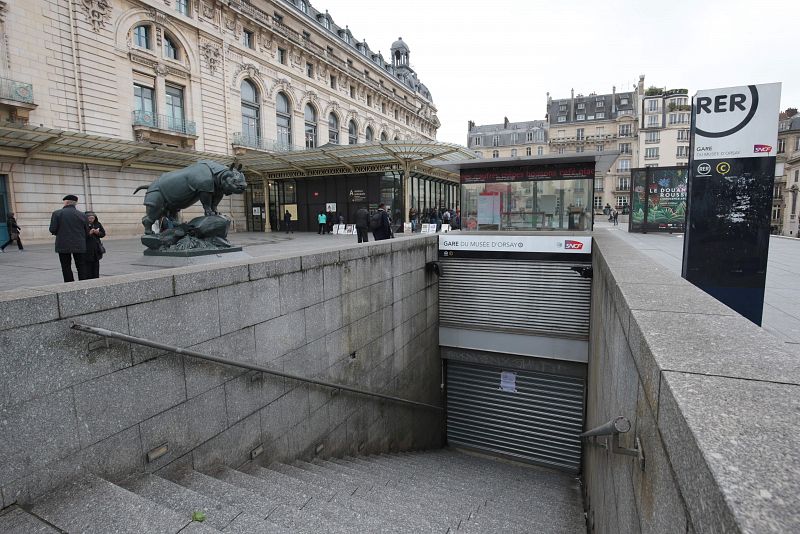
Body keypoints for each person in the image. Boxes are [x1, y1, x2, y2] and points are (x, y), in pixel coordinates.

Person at [49, 194, 89, 282]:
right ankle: (83, 284)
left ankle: (69, 284)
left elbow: (52, 229)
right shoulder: (82, 215)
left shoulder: (57, 213)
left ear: (66, 202)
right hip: (79, 243)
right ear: (75, 203)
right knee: (81, 266)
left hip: (63, 243)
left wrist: (61, 234)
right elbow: (87, 231)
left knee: (66, 266)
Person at [83, 211, 106, 279]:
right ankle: (89, 278)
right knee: (88, 265)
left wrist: (97, 232)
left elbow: (103, 234)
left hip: (96, 248)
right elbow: (80, 236)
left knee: (96, 264)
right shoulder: (83, 224)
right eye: (89, 218)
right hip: (87, 248)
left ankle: (96, 278)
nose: (91, 220)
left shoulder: (97, 224)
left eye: (93, 218)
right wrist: (89, 233)